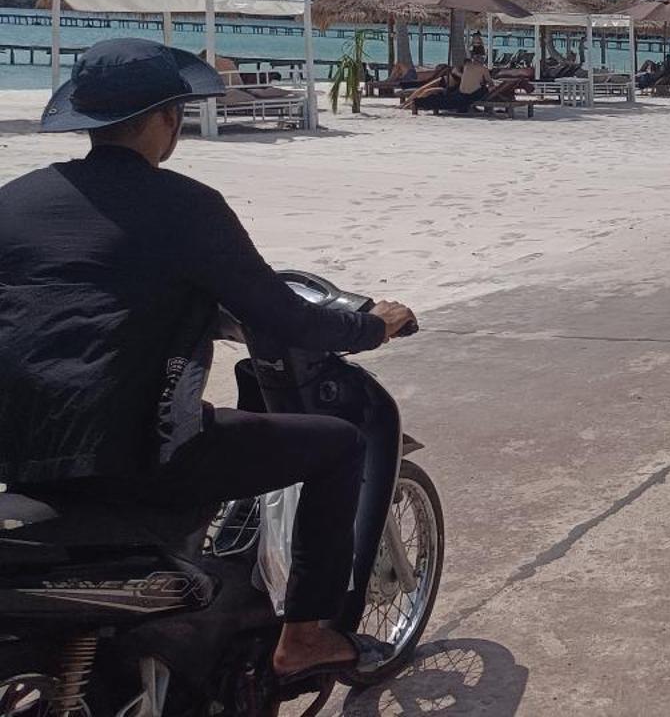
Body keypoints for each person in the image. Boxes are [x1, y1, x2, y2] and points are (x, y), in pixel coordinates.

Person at [0, 39, 417, 684]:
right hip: (139, 459)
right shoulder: (185, 206)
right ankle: (304, 636)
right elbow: (289, 318)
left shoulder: (16, 201)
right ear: (169, 119)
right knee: (338, 444)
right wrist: (373, 325)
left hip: (20, 453)